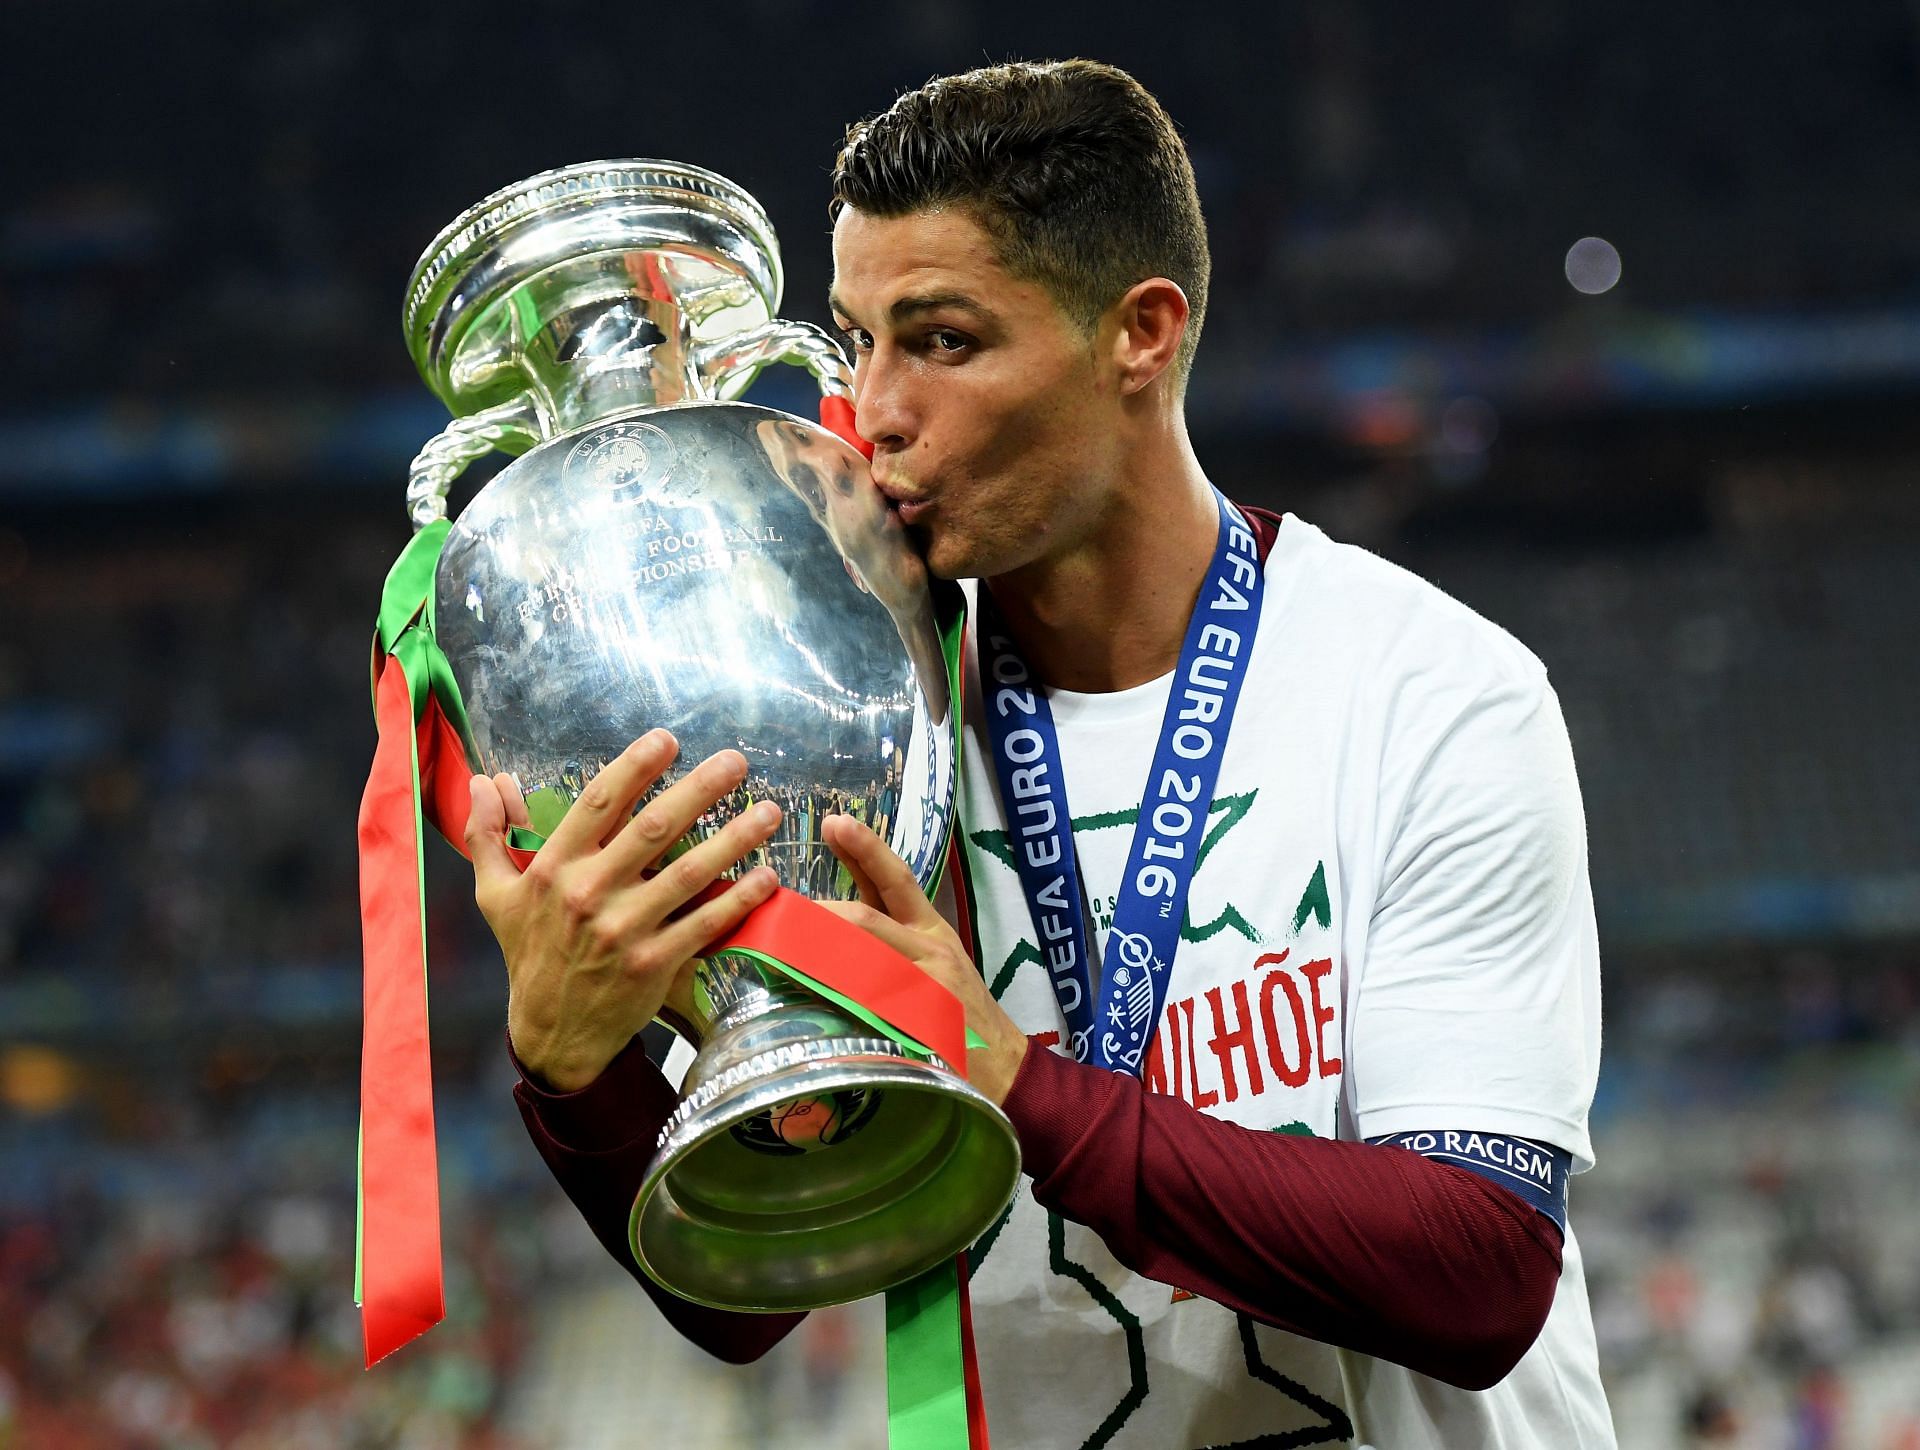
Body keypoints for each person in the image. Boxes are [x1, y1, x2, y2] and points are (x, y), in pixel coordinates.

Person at [464, 59, 1616, 1448]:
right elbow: (756, 1288)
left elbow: (1478, 1270)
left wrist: (1016, 1079)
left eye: (942, 338)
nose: (877, 408)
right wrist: (578, 1073)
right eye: (856, 338)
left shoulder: (1428, 694)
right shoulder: (846, 721)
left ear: (1140, 332)